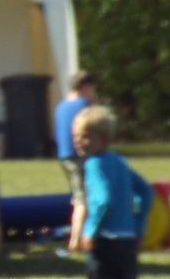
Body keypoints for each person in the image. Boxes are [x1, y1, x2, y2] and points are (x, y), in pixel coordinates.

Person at [72, 105, 152, 279]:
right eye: (75, 136)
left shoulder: (93, 164)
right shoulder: (120, 161)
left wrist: (90, 231)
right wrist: (139, 227)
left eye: (85, 136)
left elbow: (103, 200)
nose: (78, 141)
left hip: (105, 240)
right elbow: (146, 191)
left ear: (103, 140)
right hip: (128, 240)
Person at [57, 70, 99, 250]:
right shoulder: (85, 105)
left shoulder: (62, 105)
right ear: (86, 87)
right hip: (80, 157)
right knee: (83, 199)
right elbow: (99, 126)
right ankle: (75, 241)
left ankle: (84, 235)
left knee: (79, 195)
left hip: (64, 156)